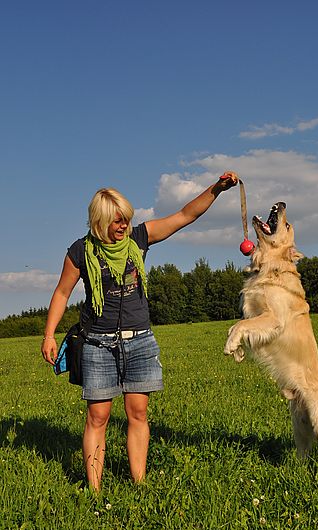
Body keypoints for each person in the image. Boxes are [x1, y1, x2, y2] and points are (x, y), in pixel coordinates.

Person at [41, 171, 239, 491]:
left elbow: (185, 215)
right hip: (97, 344)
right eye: (117, 221)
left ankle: (139, 484)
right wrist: (49, 334)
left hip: (140, 341)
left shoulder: (139, 238)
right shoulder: (80, 251)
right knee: (98, 417)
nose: (123, 226)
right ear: (99, 221)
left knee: (138, 413)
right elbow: (62, 293)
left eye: (126, 220)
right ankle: (94, 491)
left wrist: (216, 189)